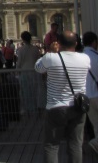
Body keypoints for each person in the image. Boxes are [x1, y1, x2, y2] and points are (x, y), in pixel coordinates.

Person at [35, 29, 91, 163]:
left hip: (56, 107)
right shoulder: (85, 58)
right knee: (75, 144)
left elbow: (38, 68)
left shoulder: (51, 57)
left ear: (58, 43)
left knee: (51, 145)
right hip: (77, 106)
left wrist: (52, 52)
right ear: (76, 43)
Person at [16, 31, 43, 115]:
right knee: (34, 91)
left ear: (22, 39)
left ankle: (27, 108)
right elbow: (39, 61)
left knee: (25, 92)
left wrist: (17, 72)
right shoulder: (35, 49)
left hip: (24, 72)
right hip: (34, 72)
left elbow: (19, 63)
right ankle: (35, 107)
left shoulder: (21, 50)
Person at [81, 31, 98, 156]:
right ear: (94, 42)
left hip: (86, 97)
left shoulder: (80, 57)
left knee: (96, 125)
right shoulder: (96, 56)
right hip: (96, 94)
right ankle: (95, 142)